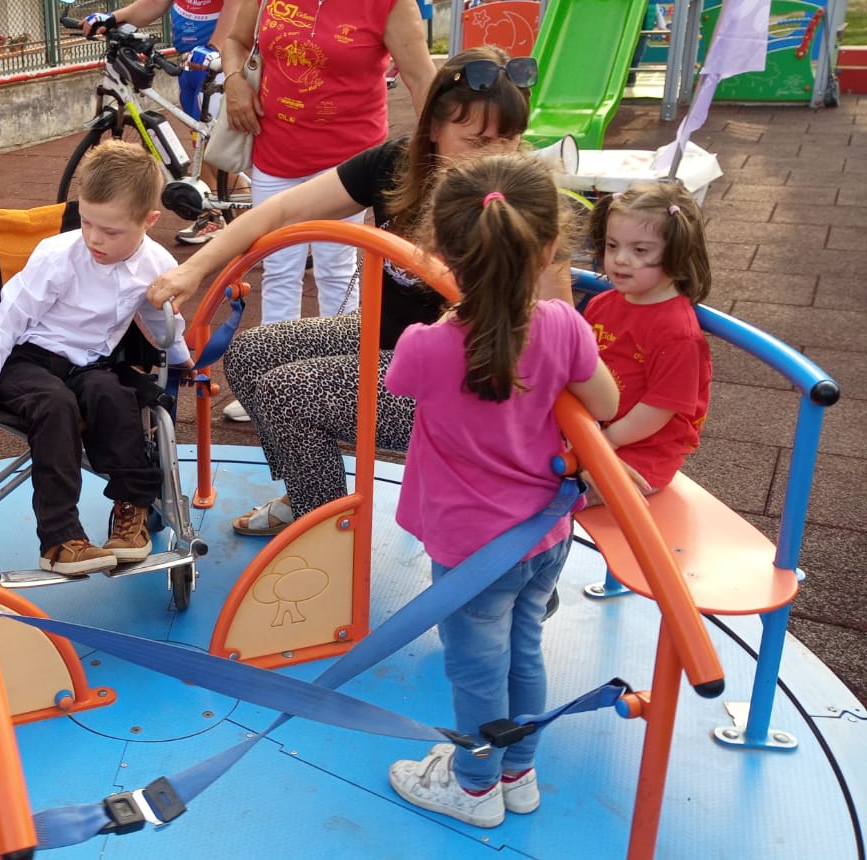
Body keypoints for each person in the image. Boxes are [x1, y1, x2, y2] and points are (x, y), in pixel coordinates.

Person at [146, 48, 548, 535]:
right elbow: (280, 210)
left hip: (458, 375)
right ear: (434, 129)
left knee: (290, 393)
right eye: (478, 141)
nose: (496, 157)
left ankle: (324, 531)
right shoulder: (397, 165)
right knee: (250, 355)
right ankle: (308, 493)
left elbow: (557, 316)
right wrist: (195, 269)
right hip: (385, 336)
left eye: (509, 140)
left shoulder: (519, 197)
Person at [385, 152, 619, 828]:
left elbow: (399, 386)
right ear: (548, 249)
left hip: (471, 551)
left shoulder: (426, 347)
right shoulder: (563, 325)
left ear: (442, 254)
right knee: (524, 654)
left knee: (476, 670)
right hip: (543, 535)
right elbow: (606, 403)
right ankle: (518, 773)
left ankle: (474, 786)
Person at [0, 142, 193, 576]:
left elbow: (162, 319)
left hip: (92, 365)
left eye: (111, 231)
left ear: (149, 221)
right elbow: (8, 318)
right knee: (55, 404)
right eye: (86, 222)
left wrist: (181, 359)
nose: (95, 238)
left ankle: (131, 511)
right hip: (28, 360)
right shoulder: (58, 255)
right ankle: (60, 539)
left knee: (115, 398)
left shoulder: (157, 263)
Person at [213, 0, 436, 424]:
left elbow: (420, 78)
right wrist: (234, 81)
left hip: (348, 162)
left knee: (337, 269)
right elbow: (236, 40)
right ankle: (269, 383)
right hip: (277, 148)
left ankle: (339, 388)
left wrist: (437, 154)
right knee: (278, 266)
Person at [83, 0, 258, 246]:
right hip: (192, 63)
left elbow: (237, 0)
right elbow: (155, 0)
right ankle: (213, 215)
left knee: (220, 151)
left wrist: (213, 48)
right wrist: (112, 18)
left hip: (221, 62)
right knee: (203, 144)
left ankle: (259, 223)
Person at [583, 180, 713, 500]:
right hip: (593, 431)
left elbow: (659, 408)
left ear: (677, 253)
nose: (620, 259)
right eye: (612, 245)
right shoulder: (601, 304)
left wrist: (607, 441)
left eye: (640, 250)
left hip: (644, 451)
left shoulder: (677, 332)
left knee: (561, 493)